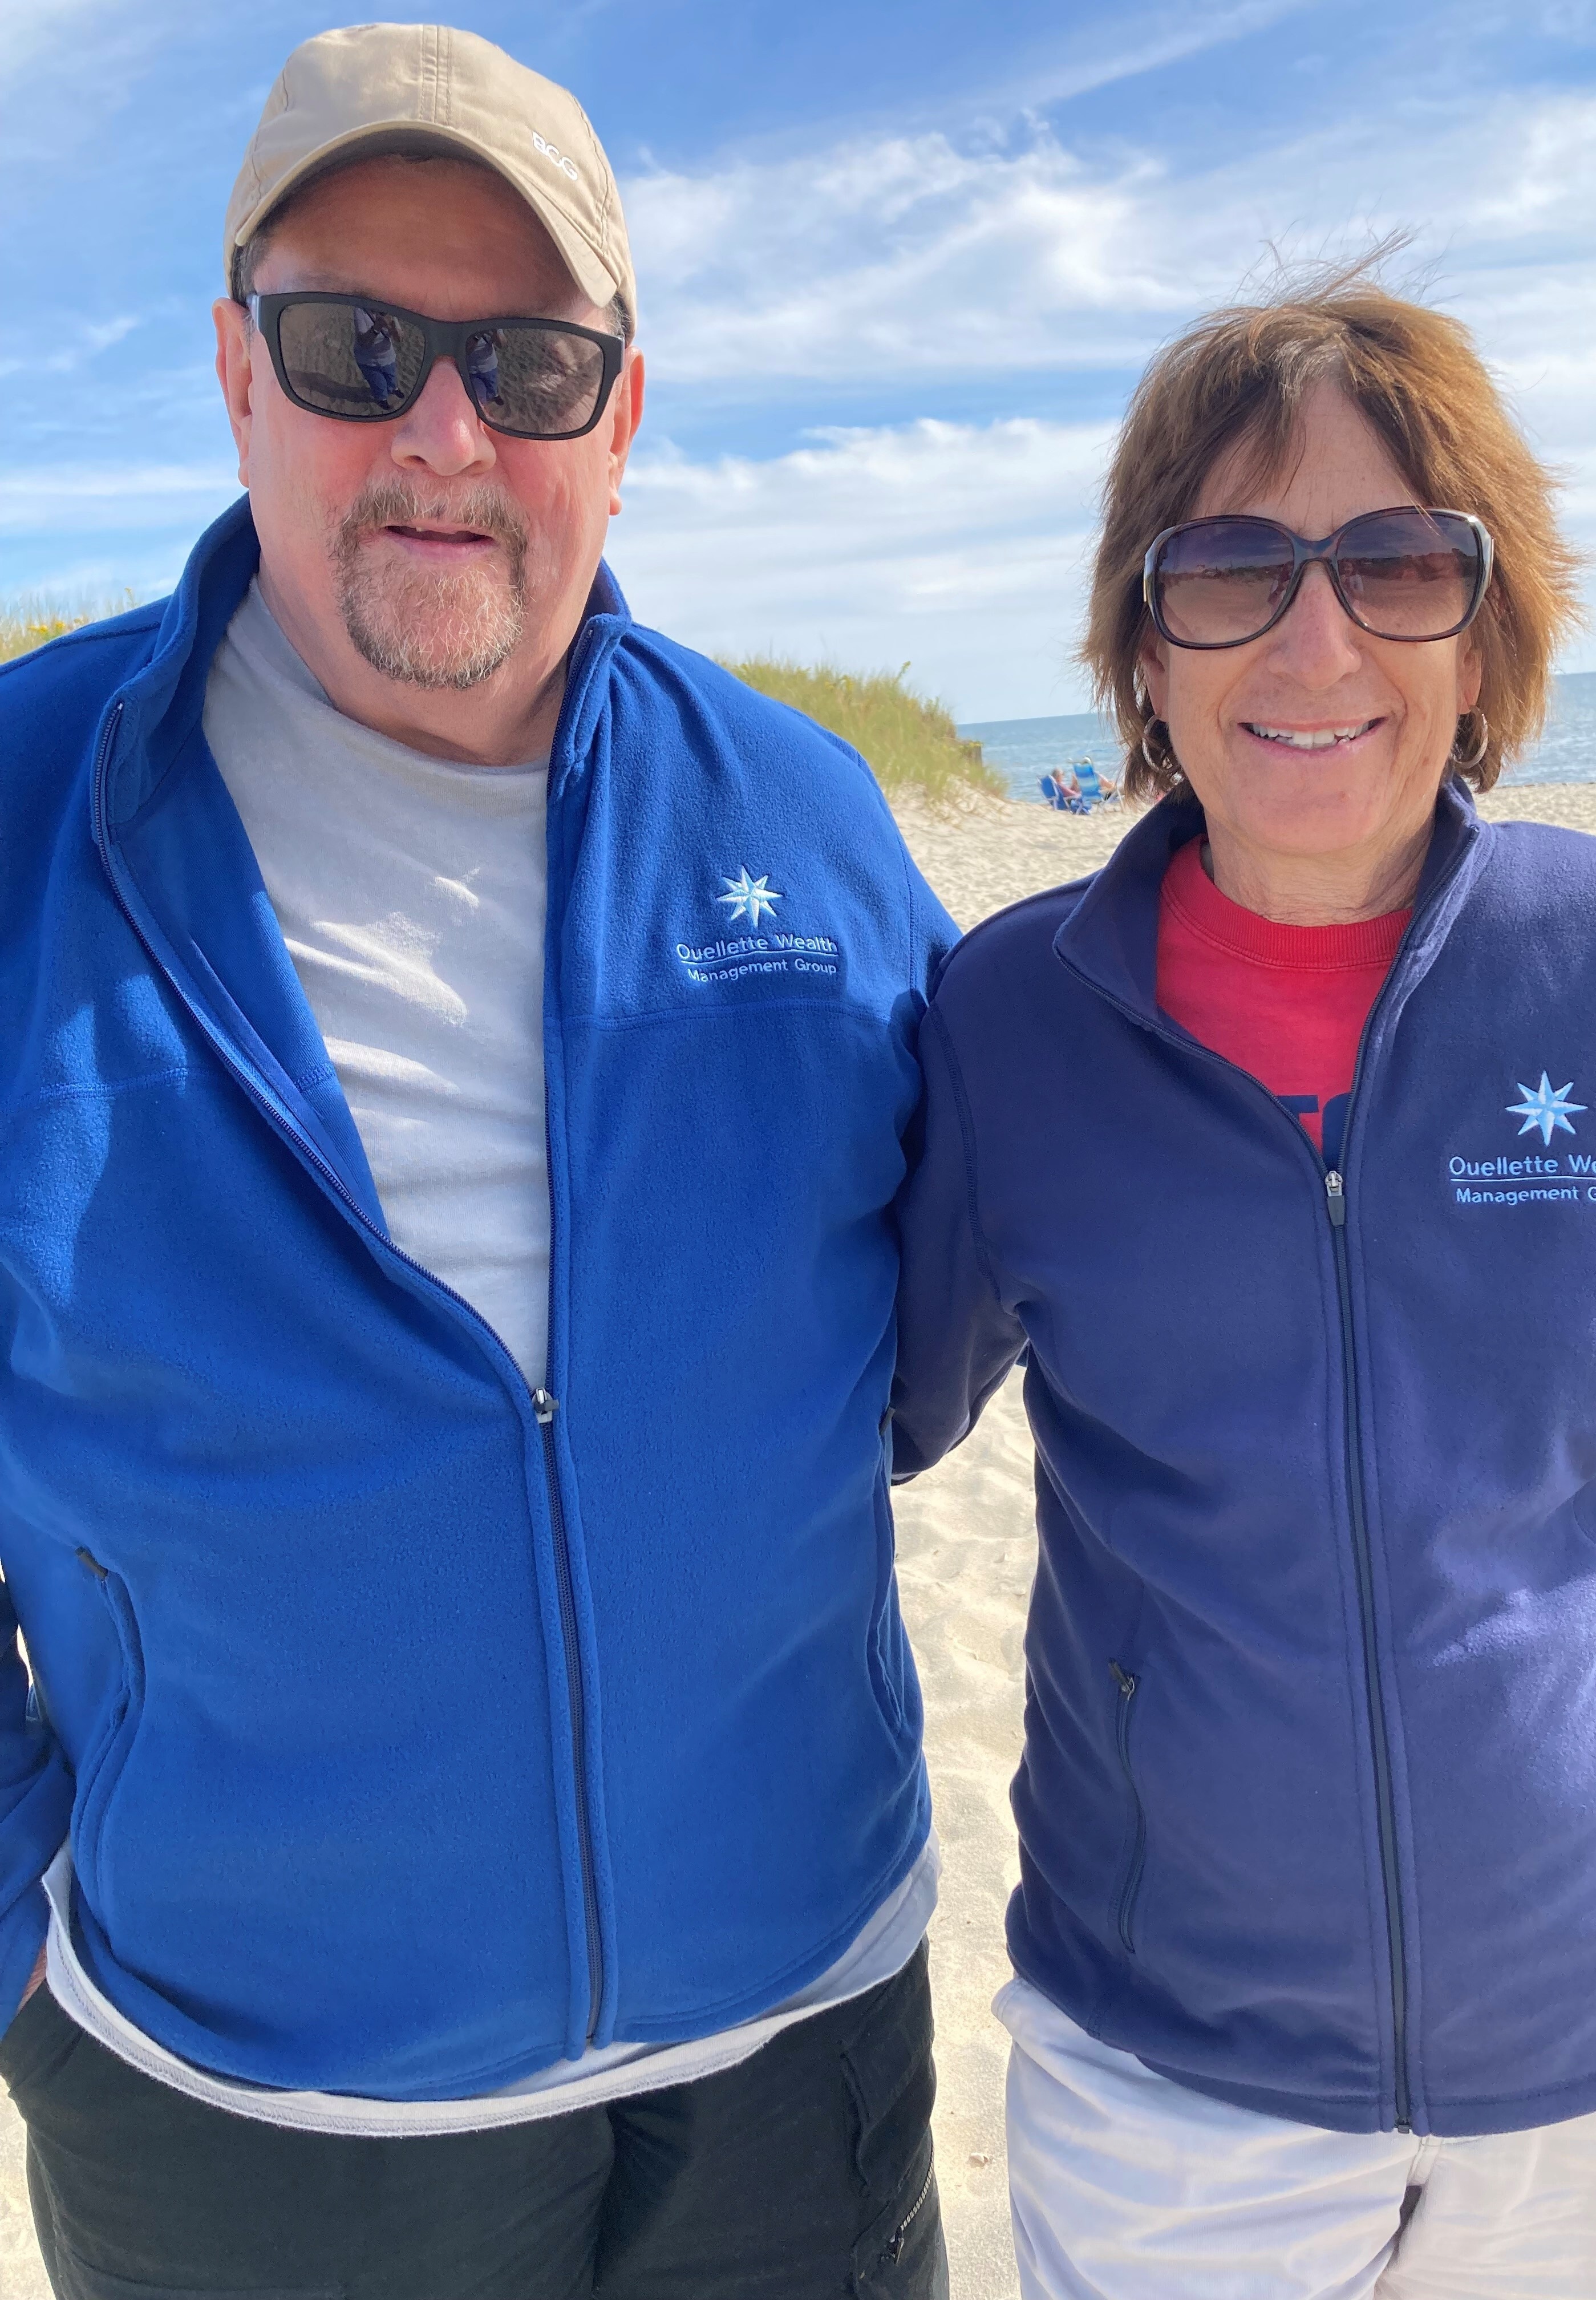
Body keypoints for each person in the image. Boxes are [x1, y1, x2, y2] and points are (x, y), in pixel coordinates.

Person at [0, 26, 951, 2298]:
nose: (446, 434)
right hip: (253, 2111)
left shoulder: (803, 811)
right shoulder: (24, 813)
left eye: (527, 365)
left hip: (801, 2048)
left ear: (620, 422)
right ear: (236, 371)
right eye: (360, 345)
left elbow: (952, 1318)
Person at [892, 272, 1596, 2298]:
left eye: (1398, 563)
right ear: (1145, 646)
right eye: (1234, 570)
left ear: (1485, 629)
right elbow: (857, 1414)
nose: (1317, 637)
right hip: (1169, 2094)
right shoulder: (1008, 1022)